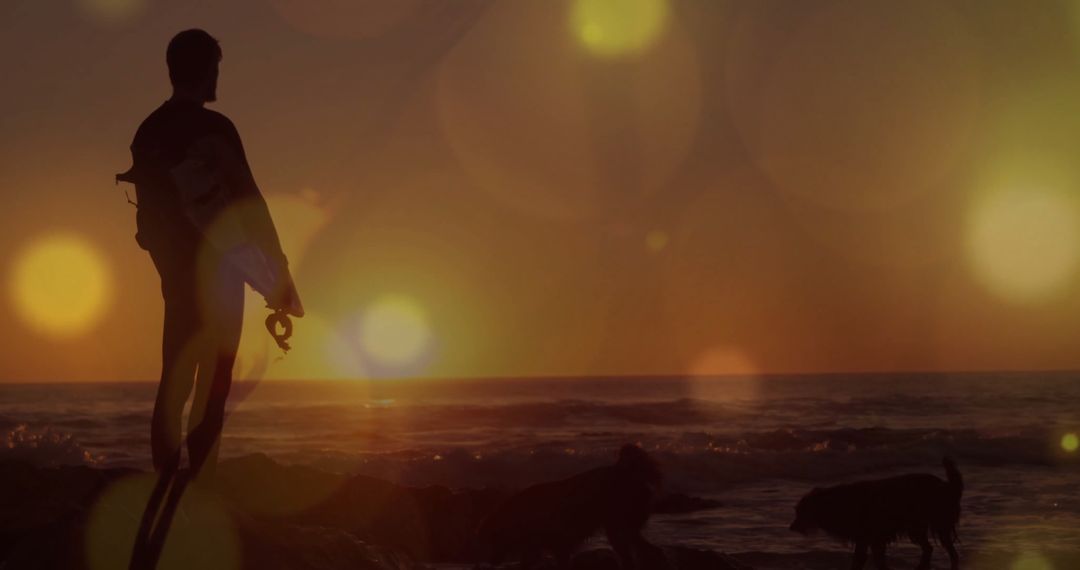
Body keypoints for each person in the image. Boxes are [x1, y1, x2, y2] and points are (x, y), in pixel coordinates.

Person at [118, 29, 299, 479]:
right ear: (207, 71)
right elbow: (249, 202)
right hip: (220, 271)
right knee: (215, 381)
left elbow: (148, 221)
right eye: (215, 69)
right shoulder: (215, 129)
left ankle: (165, 480)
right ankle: (201, 482)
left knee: (175, 377)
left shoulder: (148, 132)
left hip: (176, 275)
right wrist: (279, 270)